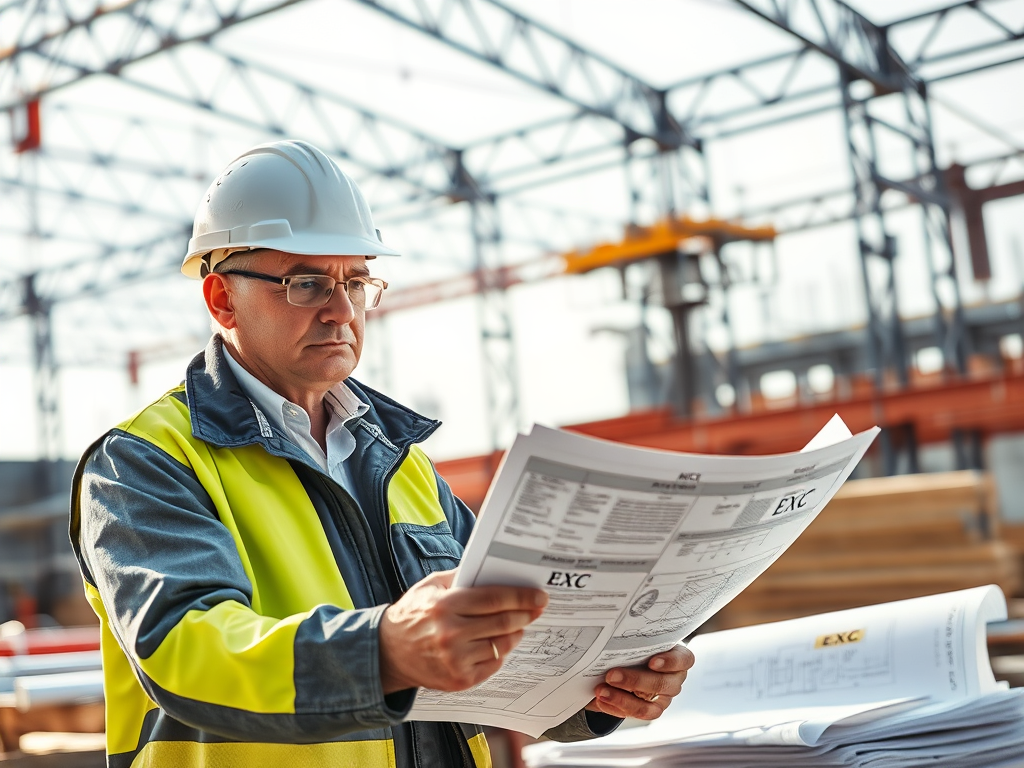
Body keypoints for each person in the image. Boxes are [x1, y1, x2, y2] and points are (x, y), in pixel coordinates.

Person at [70, 139, 694, 768]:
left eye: (357, 281)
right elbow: (186, 653)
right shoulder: (143, 462)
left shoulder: (406, 466)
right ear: (221, 299)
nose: (342, 311)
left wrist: (599, 691)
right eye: (306, 283)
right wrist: (385, 650)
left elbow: (501, 656)